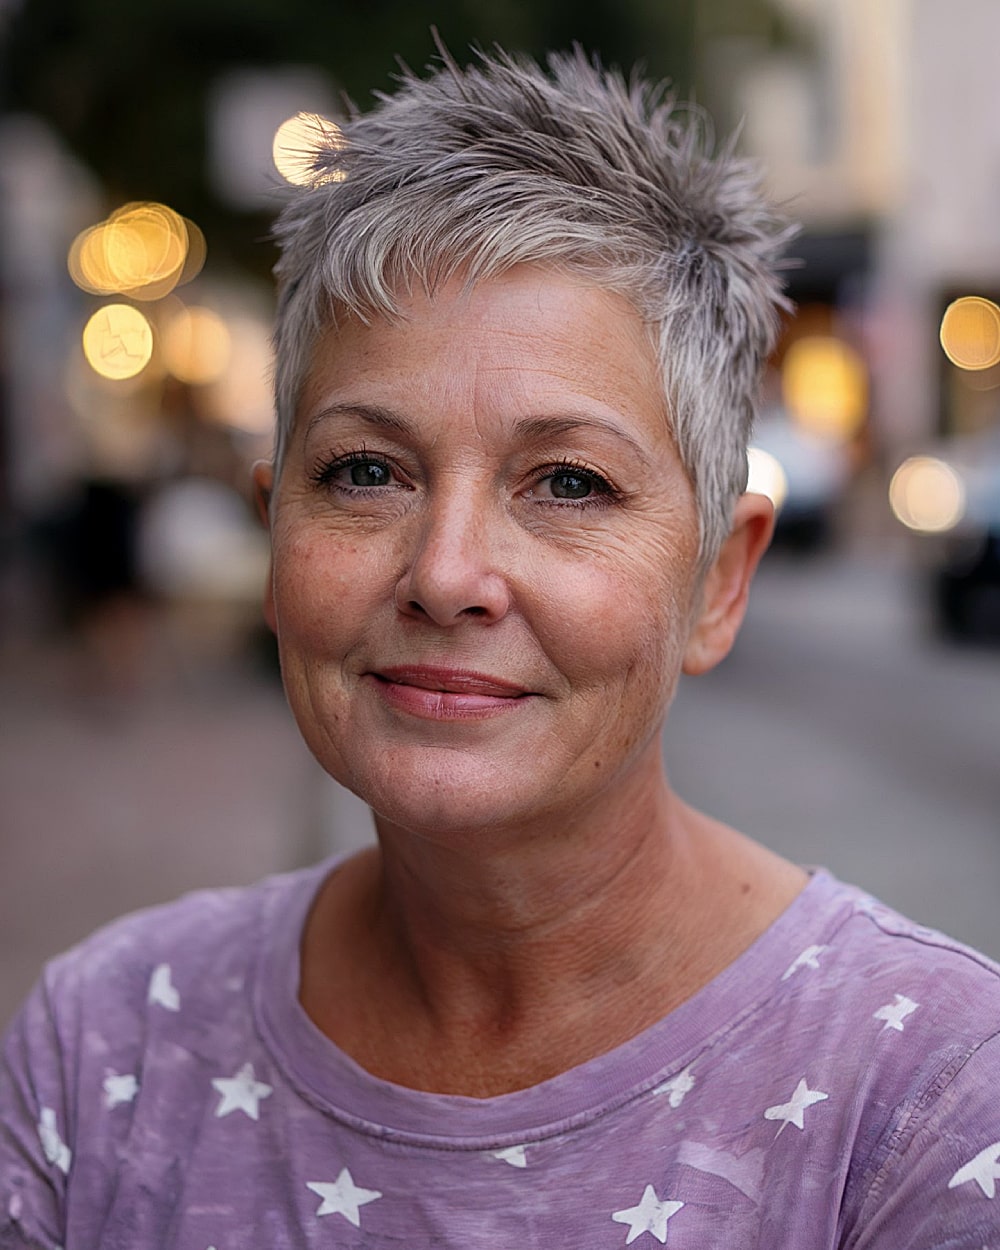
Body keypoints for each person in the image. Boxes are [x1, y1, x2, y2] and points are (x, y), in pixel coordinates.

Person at [3, 46, 999, 1250]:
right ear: (273, 531)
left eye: (568, 482)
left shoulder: (929, 1100)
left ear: (717, 582)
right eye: (365, 471)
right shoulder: (100, 1048)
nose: (445, 572)